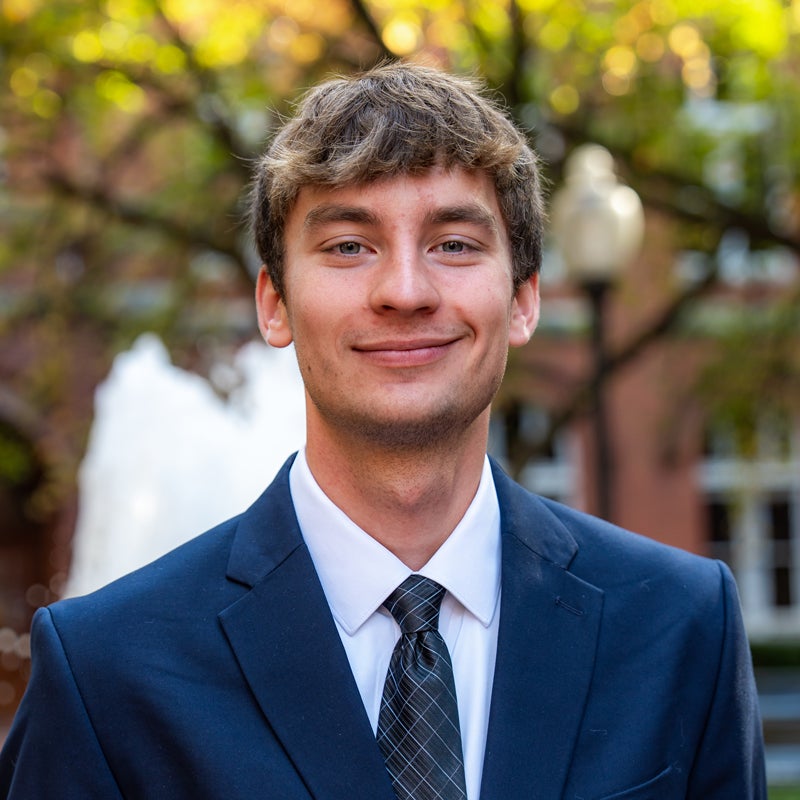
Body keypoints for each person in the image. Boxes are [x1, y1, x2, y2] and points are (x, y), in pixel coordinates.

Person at [0, 62, 765, 799]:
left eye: (455, 244)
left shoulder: (680, 627)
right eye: (348, 247)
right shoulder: (107, 671)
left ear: (524, 299)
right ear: (275, 304)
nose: (404, 290)